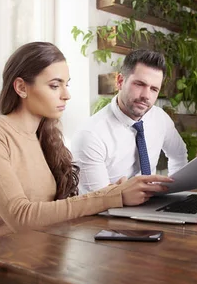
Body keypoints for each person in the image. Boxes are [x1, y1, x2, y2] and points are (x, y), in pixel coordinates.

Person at [0, 42, 173, 284]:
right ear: (21, 87)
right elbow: (21, 217)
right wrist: (108, 197)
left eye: (67, 84)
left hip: (38, 267)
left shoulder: (45, 137)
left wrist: (109, 195)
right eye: (55, 85)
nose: (66, 94)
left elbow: (55, 211)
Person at [72, 49, 188, 194]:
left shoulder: (160, 118)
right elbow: (98, 200)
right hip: (110, 213)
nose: (146, 95)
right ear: (120, 81)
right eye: (139, 84)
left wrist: (176, 192)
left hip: (154, 206)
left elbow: (179, 154)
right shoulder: (90, 135)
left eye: (154, 89)